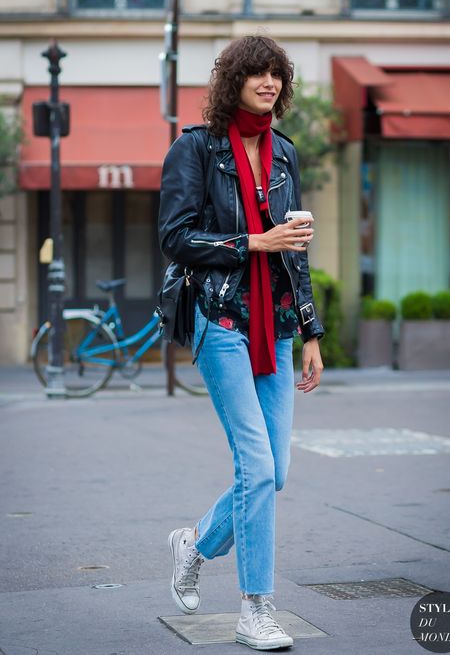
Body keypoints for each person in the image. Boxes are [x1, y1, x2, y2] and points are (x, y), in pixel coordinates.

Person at [159, 35, 324, 651]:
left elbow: (295, 247)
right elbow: (175, 237)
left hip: (275, 327)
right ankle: (257, 608)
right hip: (219, 321)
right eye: (256, 73)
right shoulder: (195, 151)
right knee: (255, 466)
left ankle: (194, 544)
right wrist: (253, 243)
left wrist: (310, 330)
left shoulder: (283, 153)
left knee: (274, 472)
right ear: (234, 81)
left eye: (276, 73)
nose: (269, 82)